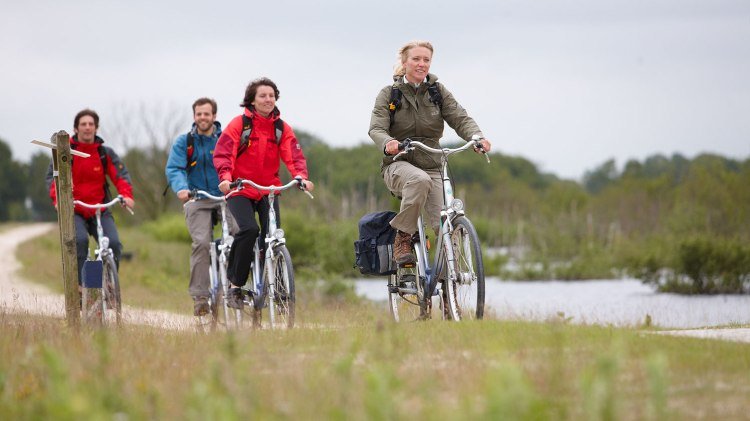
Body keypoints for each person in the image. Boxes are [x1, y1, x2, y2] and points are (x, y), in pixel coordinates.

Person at [368, 40, 492, 266]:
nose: (421, 64)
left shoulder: (437, 91)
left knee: (445, 225)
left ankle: (449, 286)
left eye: (426, 60)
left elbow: (459, 117)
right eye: (416, 59)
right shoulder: (389, 94)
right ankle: (403, 237)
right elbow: (376, 128)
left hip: (432, 163)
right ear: (405, 63)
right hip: (398, 163)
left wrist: (476, 137)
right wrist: (388, 142)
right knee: (419, 180)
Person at [214, 77, 314, 309]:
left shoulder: (280, 128)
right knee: (249, 230)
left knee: (272, 237)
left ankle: (277, 291)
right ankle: (235, 287)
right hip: (240, 188)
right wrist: (226, 177)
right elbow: (224, 152)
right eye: (263, 95)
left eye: (271, 95)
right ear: (252, 100)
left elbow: (293, 155)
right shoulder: (239, 125)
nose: (268, 99)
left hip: (268, 190)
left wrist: (301, 177)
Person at [46, 108, 136, 286]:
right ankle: (81, 287)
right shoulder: (65, 153)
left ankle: (109, 284)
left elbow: (121, 176)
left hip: (99, 209)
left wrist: (126, 195)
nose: (87, 127)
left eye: (91, 124)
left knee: (114, 244)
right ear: (76, 129)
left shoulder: (105, 153)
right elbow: (52, 180)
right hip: (75, 209)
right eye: (83, 124)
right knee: (79, 241)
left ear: (96, 128)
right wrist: (59, 200)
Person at [165, 97, 237, 316]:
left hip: (225, 196)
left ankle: (237, 286)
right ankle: (200, 297)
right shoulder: (184, 142)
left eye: (207, 114)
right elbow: (175, 168)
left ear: (214, 116)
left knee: (240, 234)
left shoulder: (226, 139)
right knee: (201, 243)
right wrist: (181, 188)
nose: (202, 118)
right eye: (199, 114)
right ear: (194, 116)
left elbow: (238, 163)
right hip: (198, 198)